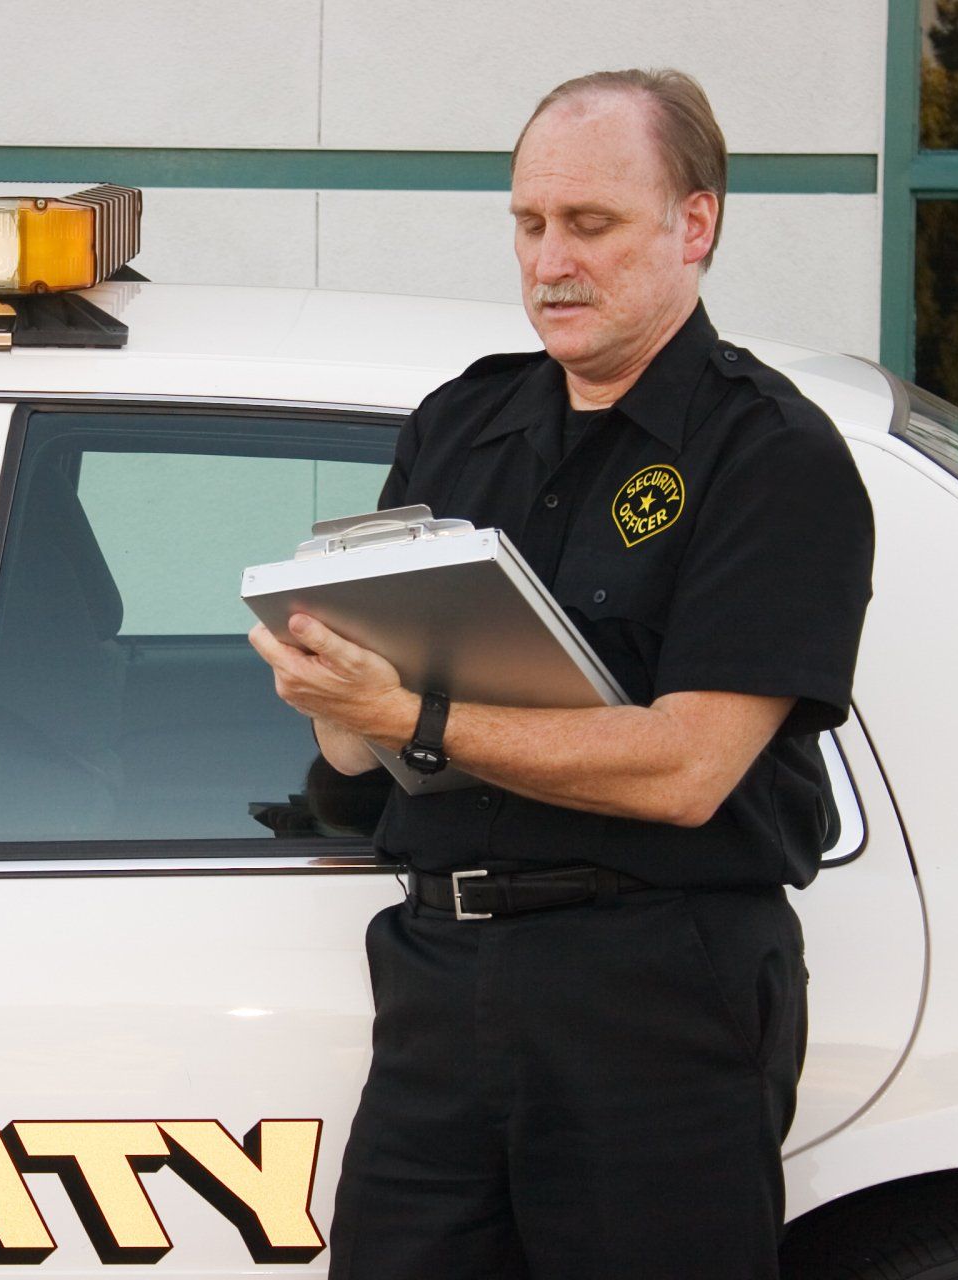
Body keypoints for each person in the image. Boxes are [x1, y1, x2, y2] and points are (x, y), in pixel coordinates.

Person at [247, 68, 875, 1279]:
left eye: (591, 224)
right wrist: (330, 693)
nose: (550, 260)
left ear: (695, 225)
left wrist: (411, 713)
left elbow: (691, 766)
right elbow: (356, 748)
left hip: (654, 993)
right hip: (442, 975)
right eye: (529, 223)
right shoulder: (460, 424)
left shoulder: (771, 454)